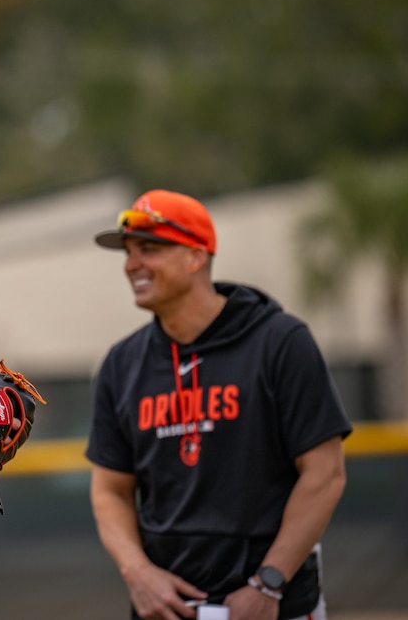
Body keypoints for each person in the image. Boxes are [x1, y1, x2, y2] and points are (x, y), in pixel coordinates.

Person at [86, 189, 353, 620]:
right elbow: (110, 490)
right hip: (166, 607)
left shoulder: (280, 342)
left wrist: (268, 583)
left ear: (195, 257)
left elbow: (325, 473)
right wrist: (137, 573)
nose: (131, 264)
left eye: (149, 249)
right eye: (129, 251)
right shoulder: (122, 364)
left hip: (272, 603)